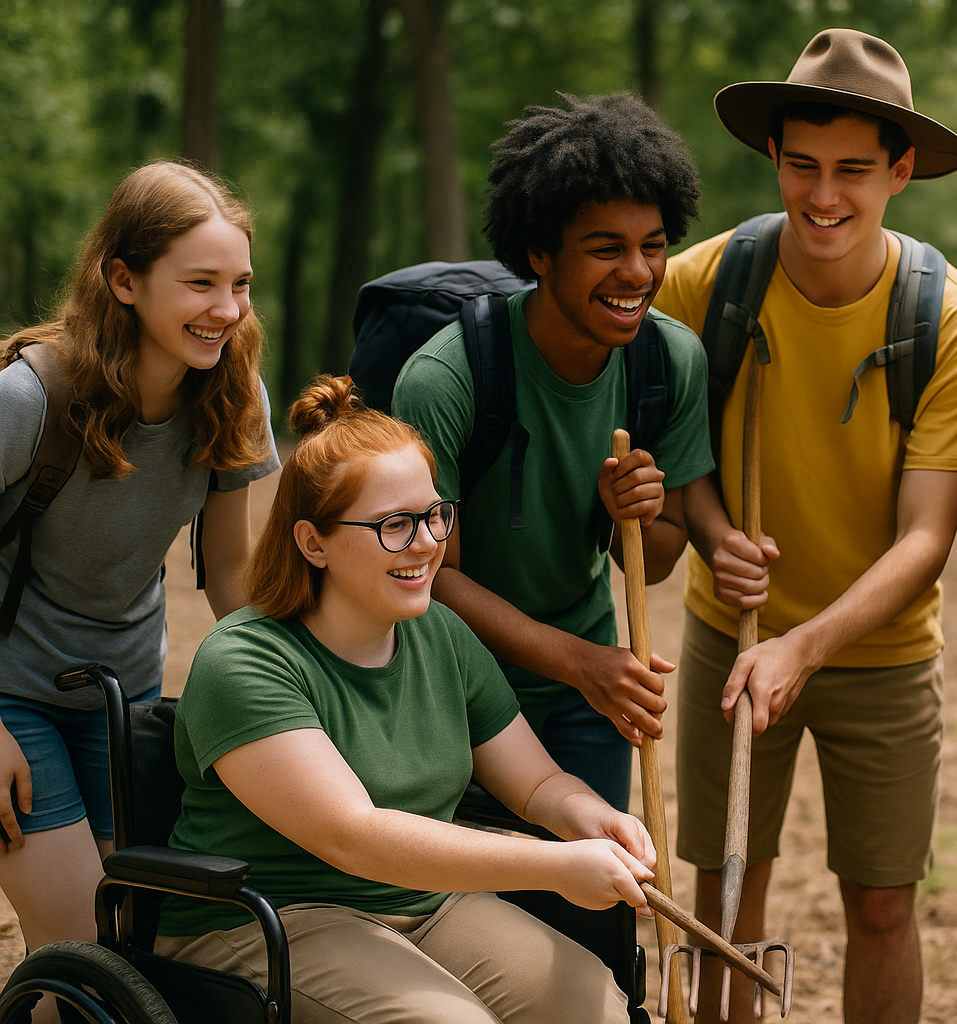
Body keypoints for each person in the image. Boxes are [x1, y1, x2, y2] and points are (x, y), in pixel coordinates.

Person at [652, 29, 957, 1023]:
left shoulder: (949, 318)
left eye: (853, 170)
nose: (824, 194)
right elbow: (677, 452)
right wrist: (713, 530)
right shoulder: (704, 284)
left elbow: (927, 541)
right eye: (802, 165)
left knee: (883, 905)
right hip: (733, 633)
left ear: (900, 172)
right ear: (774, 157)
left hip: (881, 652)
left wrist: (804, 646)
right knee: (727, 891)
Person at [155, 376, 654, 1023]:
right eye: (394, 524)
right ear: (313, 542)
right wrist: (555, 865)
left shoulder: (441, 634)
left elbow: (537, 786)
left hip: (422, 903)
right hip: (268, 922)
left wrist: (594, 818)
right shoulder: (245, 661)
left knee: (595, 1006)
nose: (426, 542)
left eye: (434, 514)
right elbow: (353, 836)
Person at [0, 161, 279, 1021]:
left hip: (123, 692)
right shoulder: (28, 398)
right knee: (83, 951)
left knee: (132, 943)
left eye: (239, 284)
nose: (227, 309)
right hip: (10, 695)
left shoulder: (234, 394)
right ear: (123, 280)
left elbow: (231, 576)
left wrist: (298, 686)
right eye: (200, 283)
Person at [392, 92, 713, 811]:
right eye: (606, 249)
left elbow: (660, 557)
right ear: (539, 252)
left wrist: (638, 516)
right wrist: (582, 664)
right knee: (472, 881)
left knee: (596, 883)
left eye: (653, 245)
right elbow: (432, 577)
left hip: (587, 700)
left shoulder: (670, 363)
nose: (638, 273)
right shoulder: (446, 379)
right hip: (450, 690)